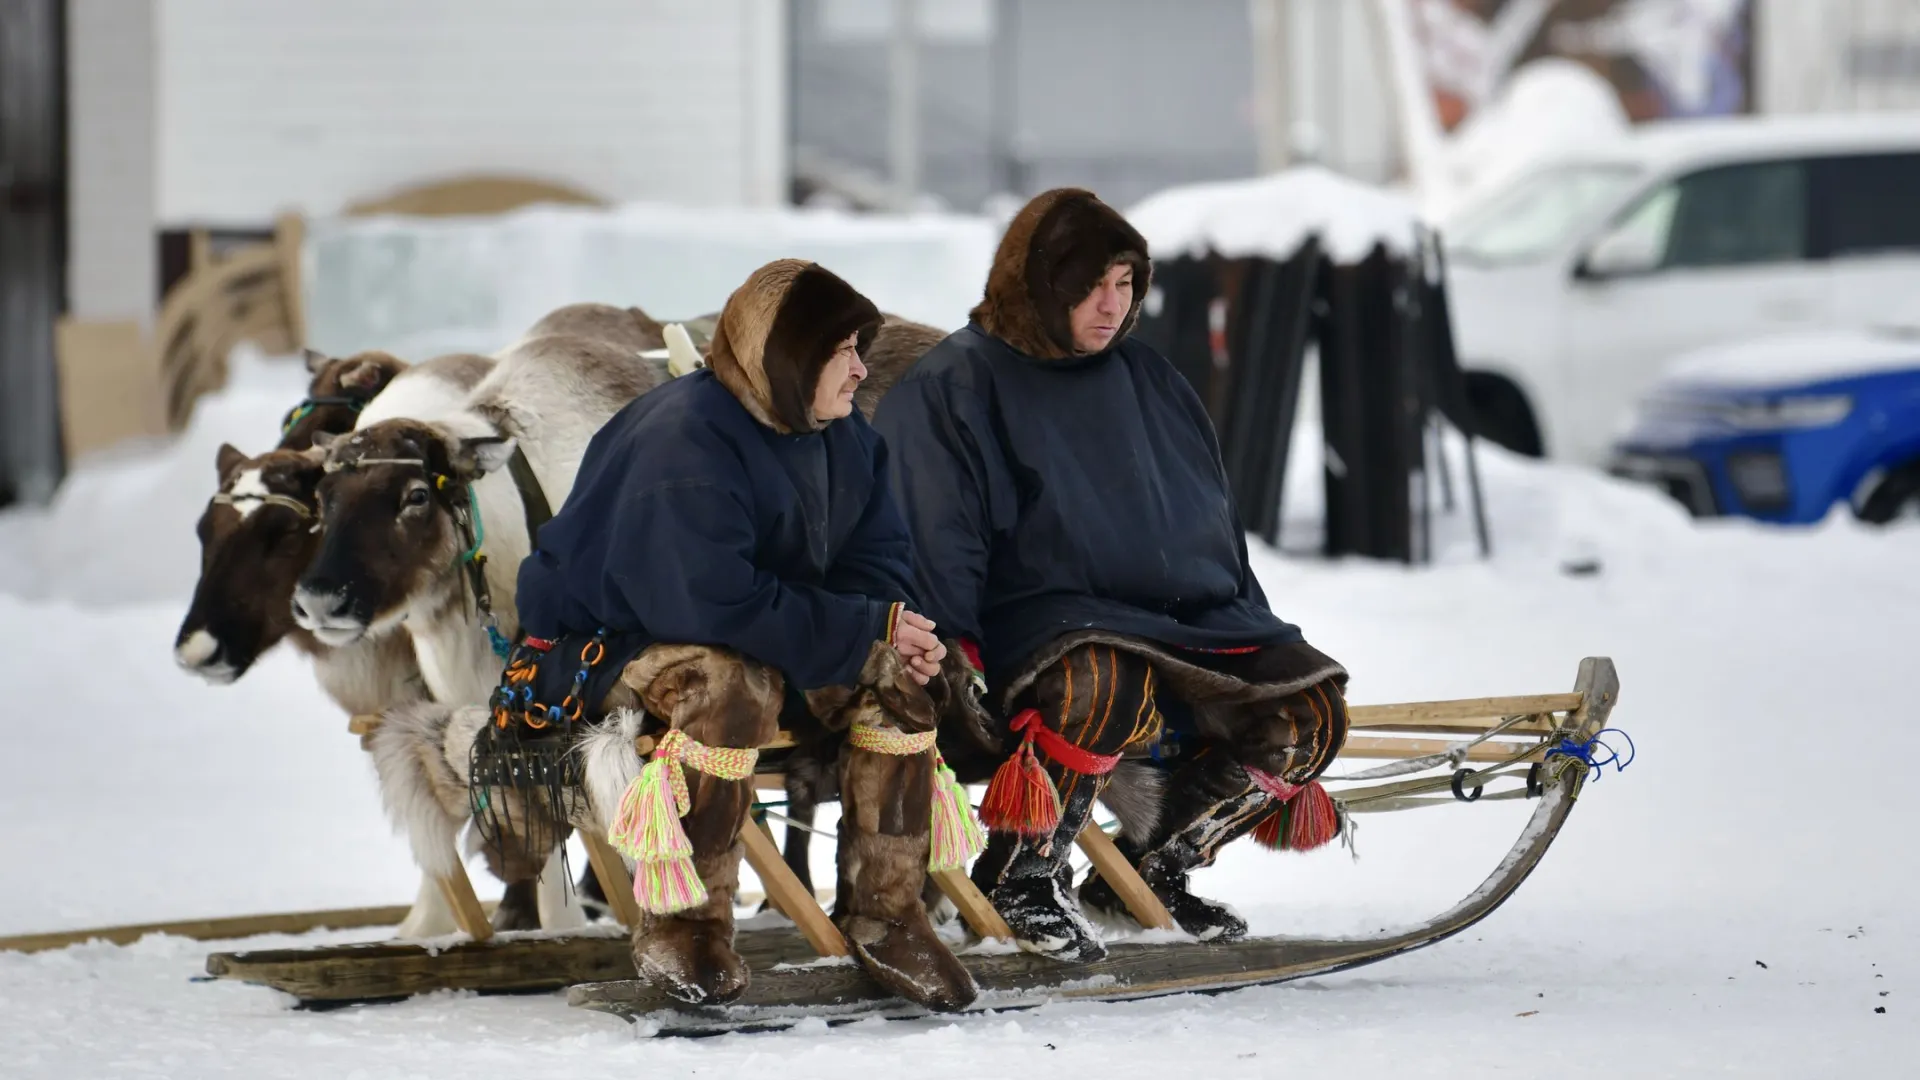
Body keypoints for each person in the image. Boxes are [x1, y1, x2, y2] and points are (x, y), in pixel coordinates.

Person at [870, 188, 1352, 963]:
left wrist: (1251, 623)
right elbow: (934, 532)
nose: (1111, 305)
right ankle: (1021, 873)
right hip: (1036, 623)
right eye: (1090, 286)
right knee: (1104, 683)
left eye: (1125, 285)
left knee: (1310, 711)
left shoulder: (1151, 379)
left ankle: (1151, 870)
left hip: (1183, 621)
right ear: (1039, 286)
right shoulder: (956, 383)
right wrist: (951, 656)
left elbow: (1214, 523)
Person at [510, 258, 976, 1010]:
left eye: (862, 347)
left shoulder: (846, 436)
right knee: (728, 688)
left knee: (903, 676)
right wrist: (863, 625)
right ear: (787, 358)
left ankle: (886, 914)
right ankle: (686, 925)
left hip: (755, 629)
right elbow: (713, 602)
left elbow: (879, 559)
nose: (861, 368)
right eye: (843, 351)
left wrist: (896, 630)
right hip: (615, 644)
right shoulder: (684, 440)